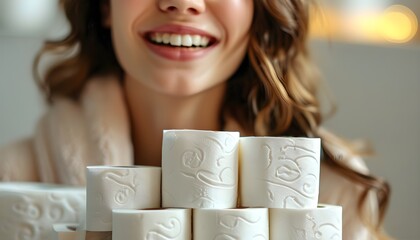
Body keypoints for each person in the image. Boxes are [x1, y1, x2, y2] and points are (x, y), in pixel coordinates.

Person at [0, 0, 390, 239]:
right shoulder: (12, 179)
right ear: (105, 6)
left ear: (258, 9)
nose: (183, 3)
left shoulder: (332, 191)